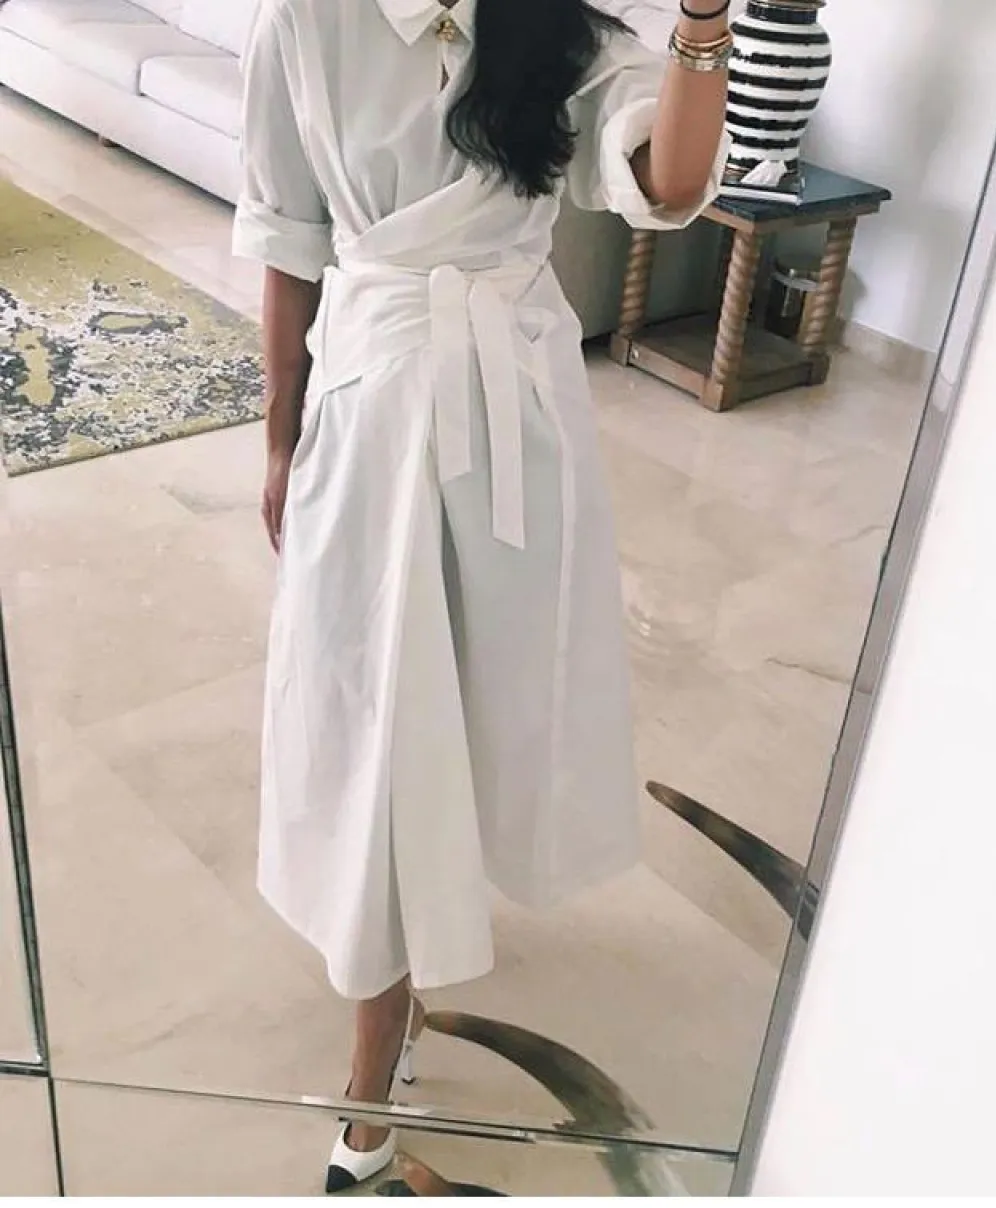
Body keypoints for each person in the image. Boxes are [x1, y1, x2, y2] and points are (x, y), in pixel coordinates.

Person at [233, 0, 731, 1190]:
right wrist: (279, 436)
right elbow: (290, 240)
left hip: (517, 416)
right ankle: (371, 1066)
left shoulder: (561, 31)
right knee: (374, 723)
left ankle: (412, 971)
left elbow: (667, 179)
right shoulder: (305, 19)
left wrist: (706, 24)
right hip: (372, 407)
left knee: (479, 702)